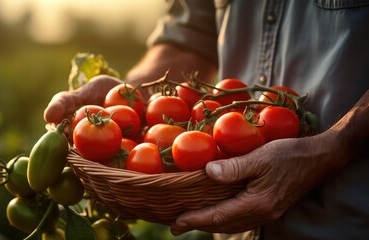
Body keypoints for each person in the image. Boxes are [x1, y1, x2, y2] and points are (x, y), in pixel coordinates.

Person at [44, 0, 369, 239]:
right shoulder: (200, 124)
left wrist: (337, 144)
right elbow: (189, 32)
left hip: (345, 221)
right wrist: (134, 95)